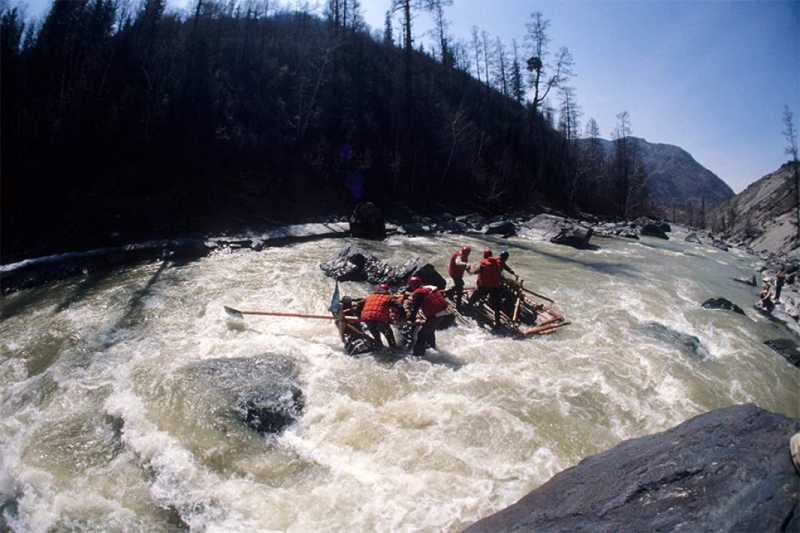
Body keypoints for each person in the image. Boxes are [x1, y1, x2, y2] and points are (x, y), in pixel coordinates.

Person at [407, 276, 450, 356]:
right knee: (430, 331)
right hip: (443, 312)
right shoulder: (429, 288)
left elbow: (415, 308)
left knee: (421, 335)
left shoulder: (419, 293)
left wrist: (411, 318)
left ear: (413, 285)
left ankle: (418, 355)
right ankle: (432, 348)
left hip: (435, 316)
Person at [360, 283, 405, 349]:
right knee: (390, 338)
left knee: (377, 338)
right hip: (380, 320)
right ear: (387, 291)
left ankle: (380, 348)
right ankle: (394, 350)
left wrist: (359, 315)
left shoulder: (370, 297)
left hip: (368, 320)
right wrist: (402, 316)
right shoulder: (388, 298)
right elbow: (399, 306)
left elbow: (359, 304)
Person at [467, 249, 503, 328]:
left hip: (484, 286)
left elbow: (474, 272)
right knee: (497, 305)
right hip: (495, 287)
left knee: (474, 297)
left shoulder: (483, 264)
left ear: (484, 255)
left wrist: (470, 269)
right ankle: (497, 321)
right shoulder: (497, 263)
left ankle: (468, 308)